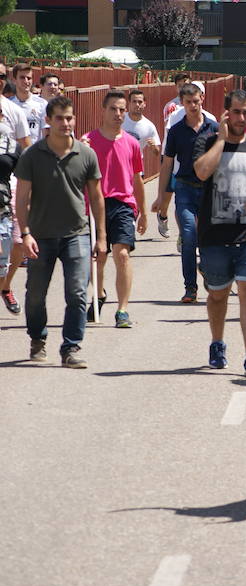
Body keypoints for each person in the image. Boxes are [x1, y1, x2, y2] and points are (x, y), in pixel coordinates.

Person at [193, 89, 246, 377]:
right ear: (226, 113)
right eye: (236, 112)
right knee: (218, 295)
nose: (242, 118)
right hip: (215, 238)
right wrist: (220, 140)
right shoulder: (207, 142)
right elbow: (201, 172)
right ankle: (217, 343)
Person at [16, 96, 105, 368]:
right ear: (48, 120)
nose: (65, 123)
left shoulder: (86, 154)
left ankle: (71, 347)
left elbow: (97, 197)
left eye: (69, 118)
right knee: (35, 294)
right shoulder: (32, 155)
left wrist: (102, 236)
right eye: (59, 118)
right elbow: (22, 198)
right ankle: (37, 338)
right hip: (40, 235)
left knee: (77, 293)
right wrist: (26, 233)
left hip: (76, 234)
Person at [85, 90, 146, 328]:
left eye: (122, 109)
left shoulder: (131, 143)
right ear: (103, 110)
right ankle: (99, 294)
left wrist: (142, 212)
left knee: (122, 255)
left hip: (123, 204)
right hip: (94, 205)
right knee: (98, 257)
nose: (118, 114)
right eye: (113, 109)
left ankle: (122, 310)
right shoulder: (88, 141)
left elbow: (137, 178)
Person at [157, 83, 219, 303]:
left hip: (209, 190)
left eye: (196, 101)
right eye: (188, 102)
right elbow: (167, 164)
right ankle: (190, 288)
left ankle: (208, 270)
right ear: (182, 103)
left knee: (208, 239)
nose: (193, 105)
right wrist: (161, 196)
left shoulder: (214, 127)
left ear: (202, 99)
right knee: (189, 236)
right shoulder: (176, 130)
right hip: (184, 188)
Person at [0, 105, 20, 325]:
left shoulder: (12, 146)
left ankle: (5, 288)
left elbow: (26, 177)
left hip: (3, 209)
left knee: (1, 263)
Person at [10, 63, 47, 144]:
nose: (26, 81)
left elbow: (46, 134)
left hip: (34, 150)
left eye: (29, 78)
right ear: (14, 80)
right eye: (22, 78)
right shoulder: (8, 104)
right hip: (13, 151)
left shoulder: (42, 104)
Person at [122, 89, 160, 164]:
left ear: (144, 104)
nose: (137, 104)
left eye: (140, 102)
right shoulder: (120, 119)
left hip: (136, 166)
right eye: (134, 101)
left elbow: (157, 152)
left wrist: (153, 146)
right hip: (119, 162)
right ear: (129, 103)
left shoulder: (149, 126)